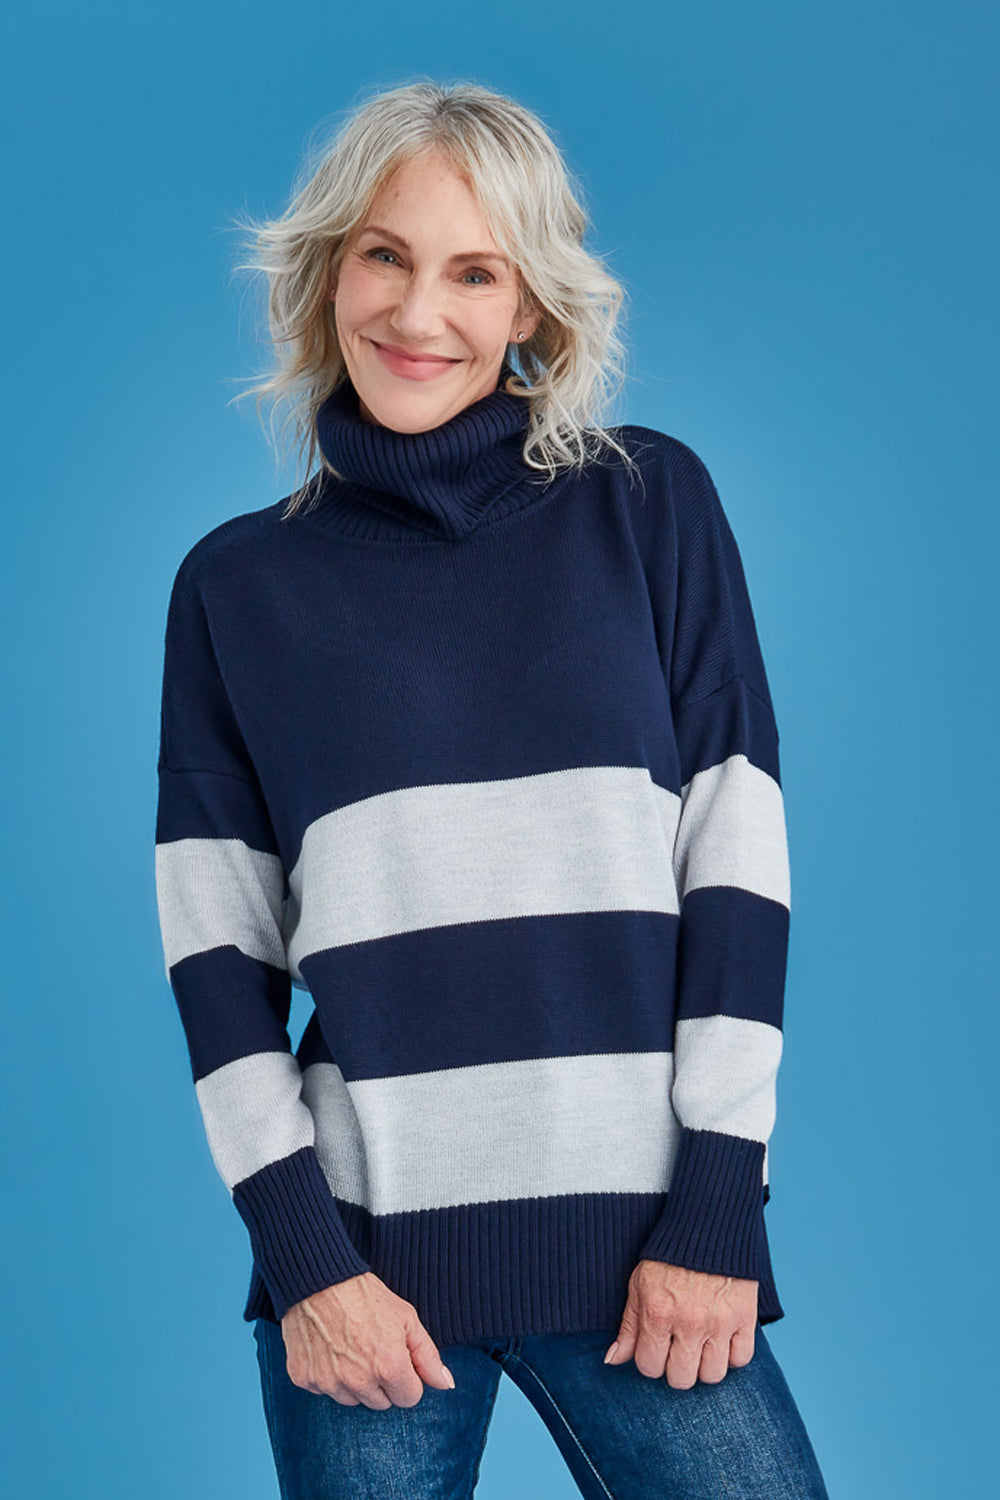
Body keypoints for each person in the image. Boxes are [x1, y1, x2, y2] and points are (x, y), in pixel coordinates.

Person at [154, 79, 829, 1498]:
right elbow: (219, 960)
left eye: (477, 272)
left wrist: (721, 1202)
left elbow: (738, 862)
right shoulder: (237, 587)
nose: (420, 312)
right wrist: (306, 1263)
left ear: (534, 309)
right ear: (330, 267)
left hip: (653, 1255)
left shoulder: (647, 506)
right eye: (386, 255)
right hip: (367, 1283)